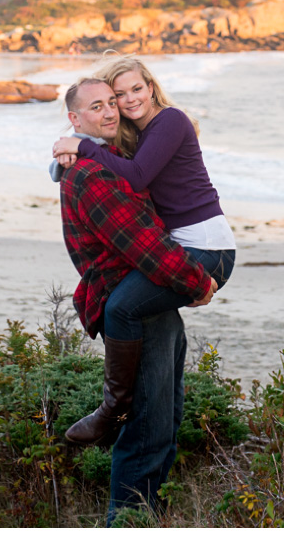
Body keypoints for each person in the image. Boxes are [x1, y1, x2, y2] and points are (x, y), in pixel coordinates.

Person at [52, 57, 236, 445]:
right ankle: (137, 422)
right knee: (142, 324)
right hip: (176, 247)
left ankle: (112, 409)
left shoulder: (169, 121)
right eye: (118, 96)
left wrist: (80, 145)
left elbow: (134, 175)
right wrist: (65, 156)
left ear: (151, 87)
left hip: (207, 248)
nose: (128, 100)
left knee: (121, 307)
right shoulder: (129, 133)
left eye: (137, 89)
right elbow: (93, 141)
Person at [57, 77, 217, 525]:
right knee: (145, 429)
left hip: (148, 299)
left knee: (166, 421)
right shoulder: (92, 175)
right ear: (75, 119)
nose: (110, 112)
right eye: (96, 107)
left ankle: (154, 517)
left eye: (113, 102)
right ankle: (125, 522)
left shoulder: (108, 159)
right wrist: (196, 282)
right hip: (133, 301)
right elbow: (143, 243)